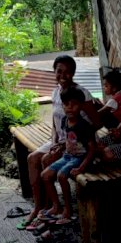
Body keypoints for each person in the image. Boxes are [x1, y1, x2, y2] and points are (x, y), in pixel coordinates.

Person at [23, 55, 100, 228]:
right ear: (54, 71)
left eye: (67, 72)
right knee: (32, 158)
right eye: (59, 71)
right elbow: (54, 120)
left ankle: (57, 207)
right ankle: (39, 207)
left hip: (77, 144)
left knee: (45, 160)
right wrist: (54, 140)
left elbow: (97, 122)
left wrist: (77, 139)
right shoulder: (56, 90)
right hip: (59, 140)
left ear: (73, 73)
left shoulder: (81, 93)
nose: (63, 75)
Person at [40, 87, 97, 226]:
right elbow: (69, 140)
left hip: (80, 158)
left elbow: (92, 149)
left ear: (81, 106)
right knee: (45, 175)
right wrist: (61, 146)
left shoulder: (84, 126)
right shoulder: (65, 120)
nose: (70, 108)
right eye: (66, 104)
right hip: (67, 156)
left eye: (74, 104)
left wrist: (81, 168)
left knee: (61, 176)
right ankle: (56, 206)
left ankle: (68, 209)